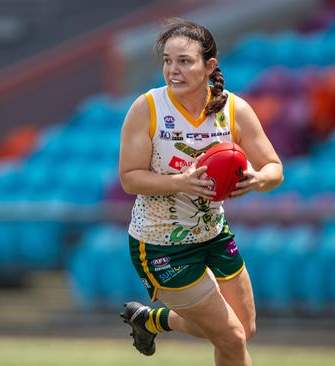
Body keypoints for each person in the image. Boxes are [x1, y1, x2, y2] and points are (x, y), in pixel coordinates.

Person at [118, 19, 283, 366]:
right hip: (162, 245)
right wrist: (180, 182)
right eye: (167, 61)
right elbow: (130, 178)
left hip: (213, 233)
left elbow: (274, 168)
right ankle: (151, 318)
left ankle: (150, 320)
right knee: (232, 337)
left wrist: (257, 180)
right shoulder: (147, 108)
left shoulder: (233, 109)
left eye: (184, 61)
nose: (172, 70)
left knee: (243, 329)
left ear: (209, 66)